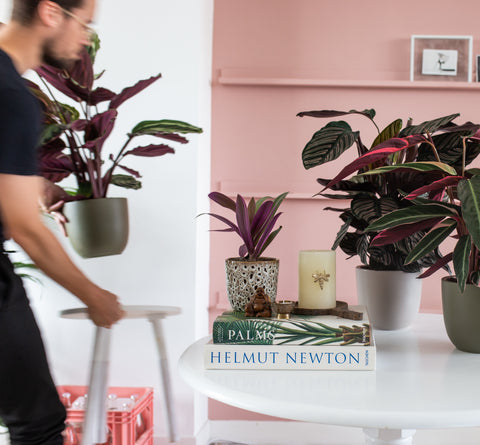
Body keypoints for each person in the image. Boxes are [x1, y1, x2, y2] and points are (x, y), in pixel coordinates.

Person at [0, 0, 125, 443]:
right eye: (84, 24)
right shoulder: (12, 96)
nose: (86, 39)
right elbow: (26, 228)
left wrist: (34, 187)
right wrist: (94, 296)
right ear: (51, 13)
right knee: (38, 424)